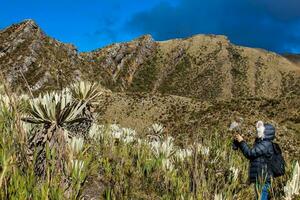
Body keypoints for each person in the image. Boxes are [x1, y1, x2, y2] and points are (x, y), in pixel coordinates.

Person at [234, 121, 275, 200]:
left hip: (263, 180)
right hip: (259, 179)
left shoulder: (266, 144)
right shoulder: (261, 143)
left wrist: (242, 142)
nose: (257, 131)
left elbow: (250, 154)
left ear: (266, 132)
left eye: (260, 130)